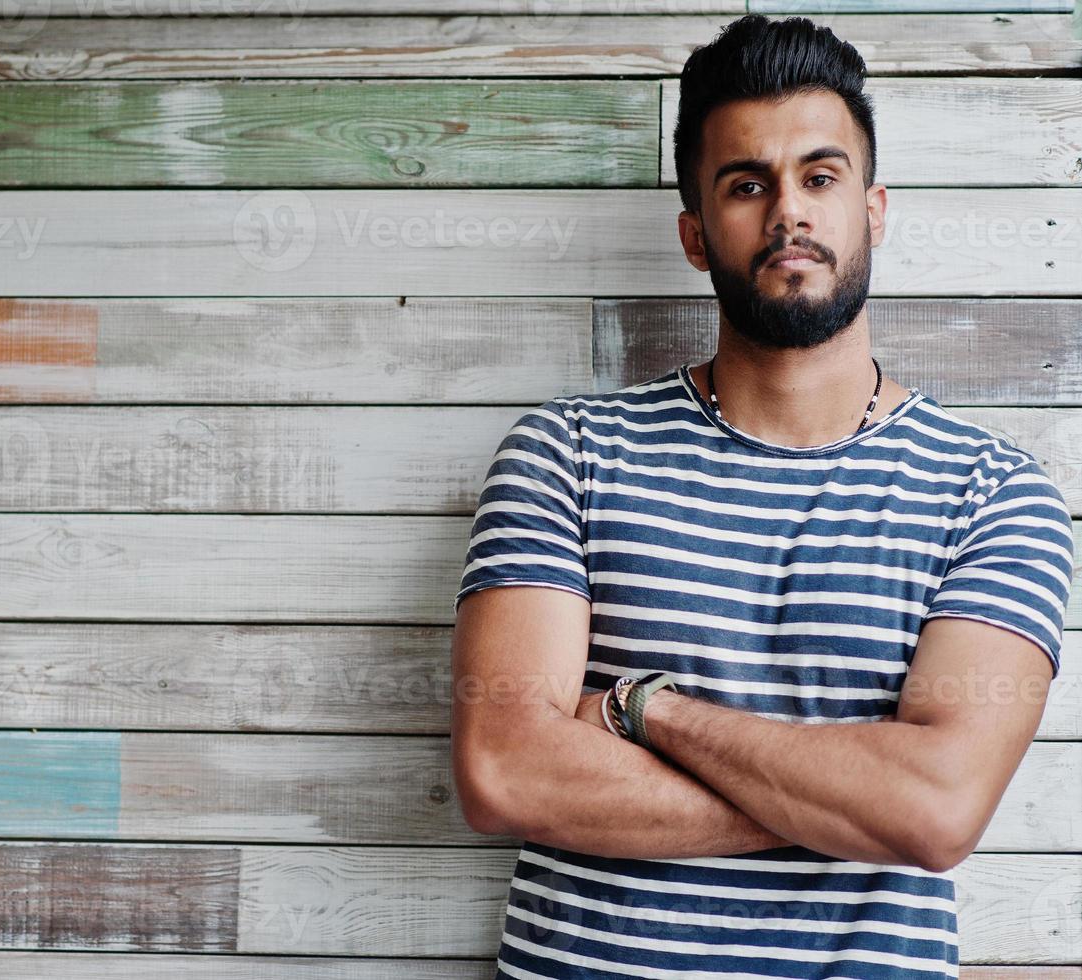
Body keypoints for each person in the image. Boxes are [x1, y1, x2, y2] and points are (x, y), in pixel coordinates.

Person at [450, 13, 1077, 979]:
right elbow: (503, 771)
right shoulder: (566, 454)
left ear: (871, 211)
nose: (788, 210)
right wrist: (848, 801)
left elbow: (936, 812)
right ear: (697, 236)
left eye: (819, 178)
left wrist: (645, 710)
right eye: (747, 185)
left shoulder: (992, 495)